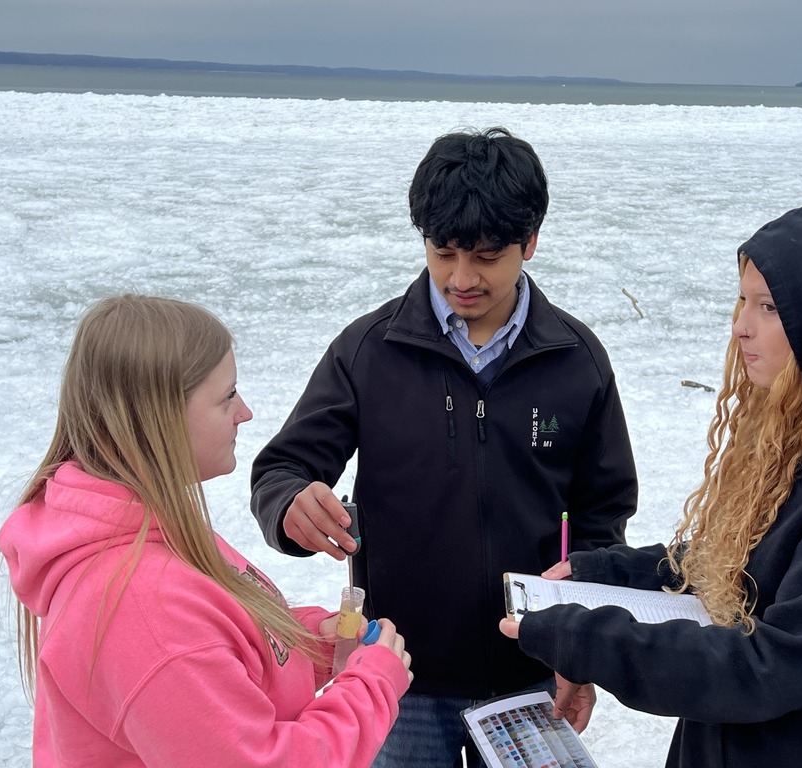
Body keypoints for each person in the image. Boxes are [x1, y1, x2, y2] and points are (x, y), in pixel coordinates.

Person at [500, 203, 802, 767]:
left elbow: (771, 667)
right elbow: (736, 568)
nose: (741, 325)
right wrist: (606, 572)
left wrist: (588, 639)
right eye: (743, 300)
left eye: (769, 307)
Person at [251, 127, 638, 767]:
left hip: (530, 676)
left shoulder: (577, 361)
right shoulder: (368, 350)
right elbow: (282, 469)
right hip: (398, 677)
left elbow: (602, 517)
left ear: (530, 242)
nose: (462, 277)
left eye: (486, 256)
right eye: (443, 252)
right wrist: (290, 503)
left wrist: (580, 647)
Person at [0, 294, 413, 767]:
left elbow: (216, 649)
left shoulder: (140, 524)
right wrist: (371, 687)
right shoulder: (144, 609)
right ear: (161, 417)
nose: (245, 412)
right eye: (227, 396)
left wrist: (310, 640)